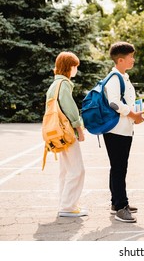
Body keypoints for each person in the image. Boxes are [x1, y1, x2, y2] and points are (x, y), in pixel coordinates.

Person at [103, 42, 144, 223]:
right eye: (130, 57)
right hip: (116, 130)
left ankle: (116, 203)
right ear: (121, 60)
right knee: (119, 168)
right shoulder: (114, 78)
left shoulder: (123, 77)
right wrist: (133, 114)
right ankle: (121, 207)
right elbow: (114, 103)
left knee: (118, 167)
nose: (133, 60)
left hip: (123, 130)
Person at [45, 51, 87, 217]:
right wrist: (79, 128)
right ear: (69, 67)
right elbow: (70, 109)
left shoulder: (54, 85)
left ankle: (65, 203)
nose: (76, 69)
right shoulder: (64, 84)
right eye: (75, 66)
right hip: (66, 132)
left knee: (66, 169)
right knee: (77, 169)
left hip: (56, 132)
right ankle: (68, 206)